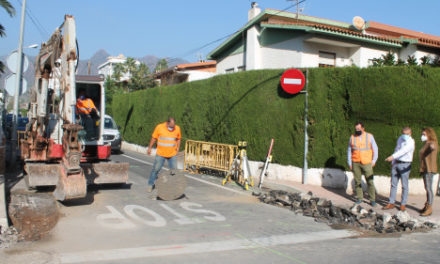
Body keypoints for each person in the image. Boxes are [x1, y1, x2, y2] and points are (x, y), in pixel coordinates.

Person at [383, 127, 415, 211]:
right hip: (396, 162)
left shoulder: (411, 142)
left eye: (407, 134)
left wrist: (392, 157)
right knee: (393, 184)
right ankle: (391, 202)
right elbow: (397, 149)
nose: (404, 135)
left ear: (410, 133)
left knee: (404, 185)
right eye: (403, 133)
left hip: (405, 164)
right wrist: (393, 162)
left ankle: (403, 204)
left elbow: (403, 151)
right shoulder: (400, 138)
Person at [347, 122, 379, 206]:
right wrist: (350, 162)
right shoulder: (352, 137)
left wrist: (374, 161)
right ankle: (360, 198)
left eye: (359, 129)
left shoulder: (369, 136)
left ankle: (372, 199)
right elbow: (349, 150)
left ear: (363, 128)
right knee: (357, 182)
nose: (357, 130)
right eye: (356, 129)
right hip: (355, 162)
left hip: (367, 162)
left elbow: (375, 148)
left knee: (370, 181)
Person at [146, 117, 181, 192]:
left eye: (173, 126)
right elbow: (154, 138)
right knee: (156, 169)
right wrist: (150, 148)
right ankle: (150, 185)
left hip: (172, 154)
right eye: (171, 126)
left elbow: (178, 138)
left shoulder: (177, 128)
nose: (172, 128)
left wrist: (178, 147)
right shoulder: (159, 127)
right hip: (161, 154)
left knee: (174, 171)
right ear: (167, 123)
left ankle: (174, 187)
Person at [419, 127, 438, 216]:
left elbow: (433, 148)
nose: (422, 136)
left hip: (429, 169)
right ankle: (427, 205)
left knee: (428, 188)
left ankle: (429, 207)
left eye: (424, 134)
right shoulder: (426, 143)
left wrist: (432, 146)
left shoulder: (432, 143)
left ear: (429, 135)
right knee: (427, 188)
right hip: (425, 169)